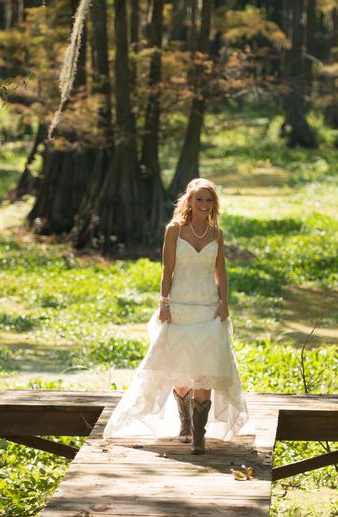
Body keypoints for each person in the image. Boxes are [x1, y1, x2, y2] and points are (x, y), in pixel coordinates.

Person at [102, 178, 249, 454]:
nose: (204, 205)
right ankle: (185, 422)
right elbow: (166, 271)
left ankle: (199, 436)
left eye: (209, 200)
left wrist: (224, 302)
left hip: (208, 307)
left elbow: (221, 272)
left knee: (204, 372)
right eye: (199, 199)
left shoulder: (217, 234)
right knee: (180, 372)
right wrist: (165, 304)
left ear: (213, 204)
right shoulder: (174, 230)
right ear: (189, 202)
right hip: (180, 306)